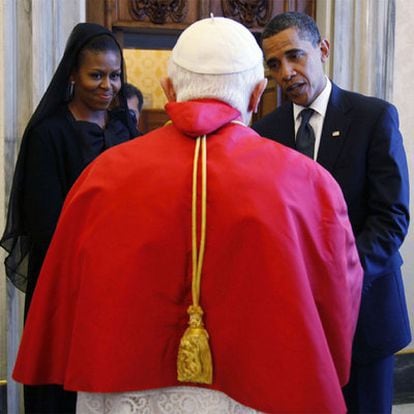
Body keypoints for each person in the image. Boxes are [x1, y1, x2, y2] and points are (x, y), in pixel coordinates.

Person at [12, 16, 362, 413]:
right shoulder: (309, 182)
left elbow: (62, 289)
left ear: (169, 89)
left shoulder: (103, 177)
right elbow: (339, 296)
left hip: (125, 387)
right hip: (262, 387)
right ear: (256, 94)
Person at [252, 11, 411, 414]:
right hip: (297, 319)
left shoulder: (374, 117)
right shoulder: (264, 134)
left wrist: (338, 273)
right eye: (274, 64)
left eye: (294, 56)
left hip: (365, 312)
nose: (286, 73)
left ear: (322, 49)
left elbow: (391, 217)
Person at [1, 22, 139, 414]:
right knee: (61, 389)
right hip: (65, 282)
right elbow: (45, 220)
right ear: (73, 75)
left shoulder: (124, 127)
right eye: (96, 75)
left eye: (114, 76)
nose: (107, 86)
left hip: (119, 284)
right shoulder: (50, 132)